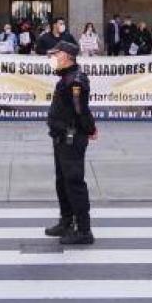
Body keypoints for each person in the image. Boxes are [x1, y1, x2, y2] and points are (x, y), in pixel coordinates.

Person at [43, 40, 97, 245]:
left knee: (74, 183)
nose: (53, 59)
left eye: (56, 55)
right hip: (61, 138)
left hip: (71, 139)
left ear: (66, 56)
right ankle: (66, 222)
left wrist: (90, 129)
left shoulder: (75, 81)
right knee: (62, 182)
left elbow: (80, 109)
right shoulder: (65, 78)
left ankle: (83, 230)